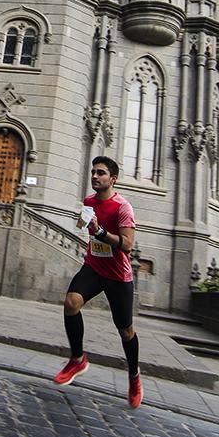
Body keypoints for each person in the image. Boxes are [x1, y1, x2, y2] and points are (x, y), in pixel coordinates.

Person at [52, 155, 142, 408]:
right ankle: (77, 359)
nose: (94, 176)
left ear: (113, 179)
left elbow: (127, 245)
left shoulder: (123, 207)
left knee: (125, 331)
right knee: (71, 303)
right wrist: (85, 222)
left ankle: (134, 376)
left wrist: (101, 231)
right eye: (93, 172)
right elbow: (85, 226)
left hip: (118, 275)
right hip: (93, 266)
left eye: (100, 173)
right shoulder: (89, 201)